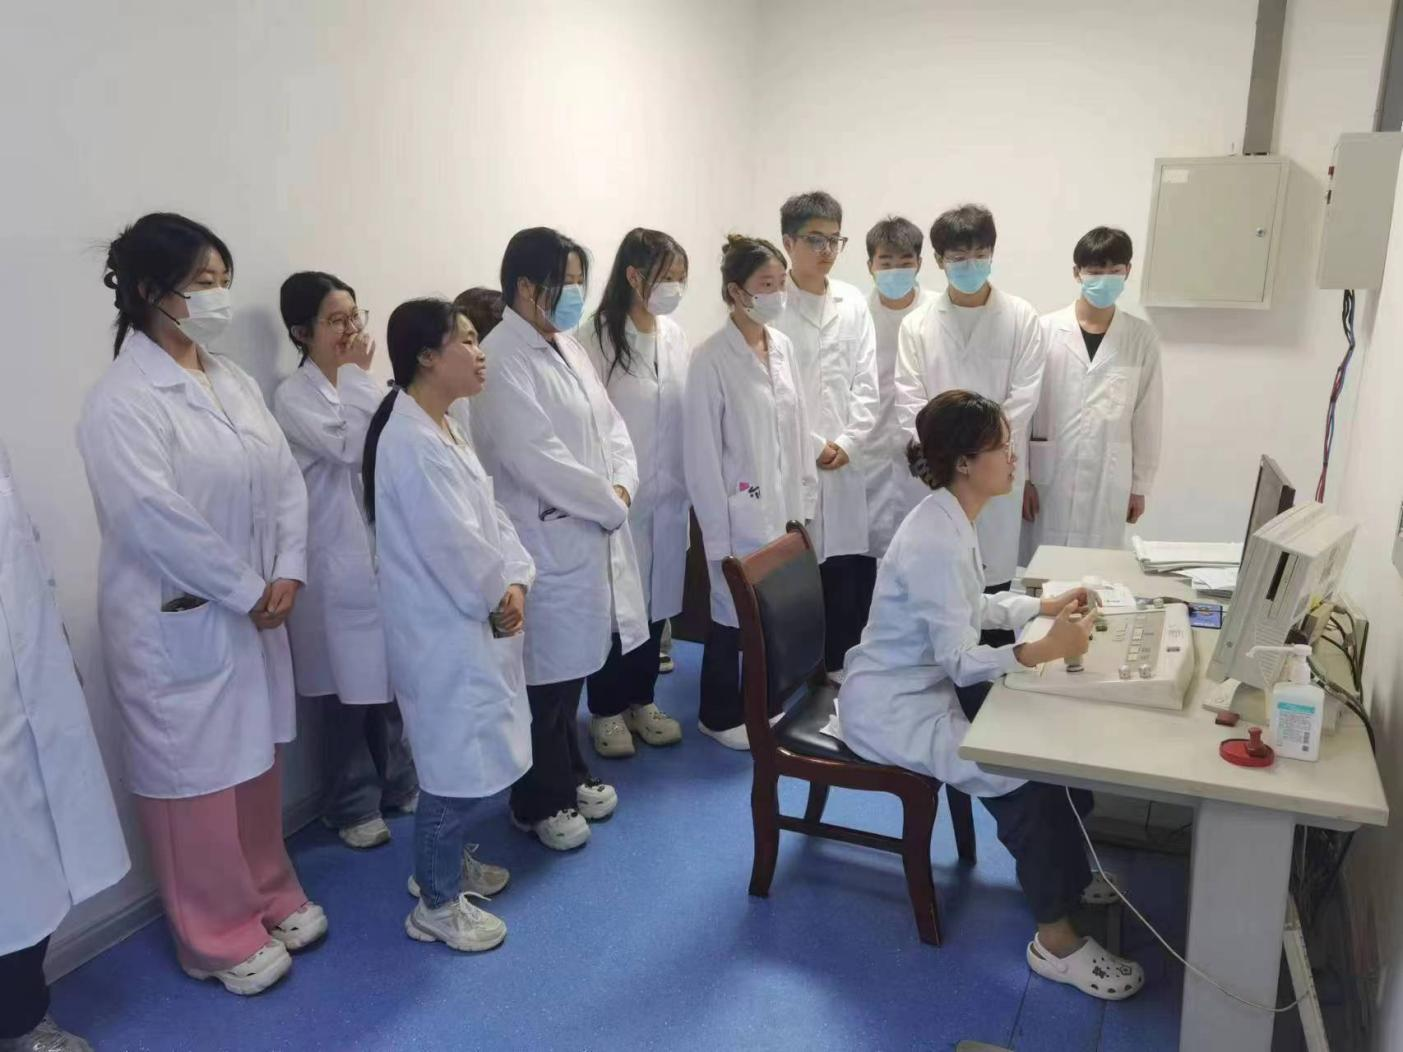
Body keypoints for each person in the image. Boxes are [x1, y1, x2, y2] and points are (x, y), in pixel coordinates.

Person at [77, 213, 324, 996]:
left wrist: (287, 569)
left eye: (223, 281)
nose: (218, 298)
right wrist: (248, 589)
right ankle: (213, 936)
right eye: (202, 284)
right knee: (196, 786)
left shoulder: (233, 382)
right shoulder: (121, 402)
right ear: (150, 291)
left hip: (253, 609)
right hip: (183, 617)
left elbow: (282, 480)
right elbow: (153, 519)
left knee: (253, 763)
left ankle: (268, 892)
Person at [830, 391, 1144, 1002]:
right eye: (1003, 446)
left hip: (924, 686)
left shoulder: (950, 515)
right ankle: (1055, 942)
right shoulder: (936, 537)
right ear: (965, 463)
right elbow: (957, 657)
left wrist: (1041, 605)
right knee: (1017, 776)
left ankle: (1069, 876)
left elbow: (970, 605)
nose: (1014, 457)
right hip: (893, 708)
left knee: (1047, 745)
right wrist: (1040, 650)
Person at [363, 297, 530, 953]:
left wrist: (515, 578)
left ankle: (448, 866)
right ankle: (434, 903)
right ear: (428, 357)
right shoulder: (411, 442)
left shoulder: (444, 427)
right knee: (448, 772)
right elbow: (454, 544)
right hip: (443, 632)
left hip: (470, 621)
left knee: (467, 755)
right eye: (466, 340)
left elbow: (491, 521)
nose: (480, 352)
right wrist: (497, 591)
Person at [470, 228, 645, 849]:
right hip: (543, 539)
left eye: (578, 280)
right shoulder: (501, 357)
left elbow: (612, 426)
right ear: (525, 285)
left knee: (570, 676)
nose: (575, 292)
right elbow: (535, 457)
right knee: (543, 682)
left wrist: (621, 485)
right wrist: (607, 502)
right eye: (565, 281)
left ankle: (569, 773)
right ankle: (536, 802)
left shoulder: (566, 346)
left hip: (587, 528)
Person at [273, 272, 418, 850]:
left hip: (377, 559)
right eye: (336, 320)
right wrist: (359, 378)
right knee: (344, 696)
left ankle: (397, 783)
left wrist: (360, 381)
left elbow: (395, 441)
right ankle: (350, 804)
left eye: (355, 316)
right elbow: (352, 448)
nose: (352, 330)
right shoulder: (293, 396)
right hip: (333, 567)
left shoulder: (363, 385)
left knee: (386, 684)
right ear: (301, 332)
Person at [1, 438, 130, 1052]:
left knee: (33, 866)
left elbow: (22, 548)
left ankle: (22, 1018)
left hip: (26, 680)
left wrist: (54, 638)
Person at [683, 235, 816, 749]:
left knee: (773, 611)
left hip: (782, 508)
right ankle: (717, 715)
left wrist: (804, 501)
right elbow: (701, 457)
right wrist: (716, 539)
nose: (777, 294)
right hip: (737, 511)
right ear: (736, 292)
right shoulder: (710, 359)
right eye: (766, 284)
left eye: (781, 283)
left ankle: (764, 704)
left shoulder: (781, 348)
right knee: (729, 616)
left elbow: (798, 430)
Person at [894, 204, 1045, 645]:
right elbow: (909, 400)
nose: (970, 265)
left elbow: (1025, 394)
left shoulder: (1021, 317)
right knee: (942, 585)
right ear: (939, 260)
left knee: (993, 582)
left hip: (996, 469)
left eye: (980, 255)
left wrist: (978, 453)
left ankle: (993, 671)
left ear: (993, 254)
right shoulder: (917, 324)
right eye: (958, 257)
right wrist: (953, 457)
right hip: (943, 473)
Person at [579, 228, 690, 757]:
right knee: (614, 610)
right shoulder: (594, 338)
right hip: (618, 499)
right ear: (633, 275)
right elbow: (587, 423)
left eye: (681, 278)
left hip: (668, 498)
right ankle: (605, 710)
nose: (675, 288)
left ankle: (642, 701)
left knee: (655, 604)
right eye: (666, 277)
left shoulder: (674, 336)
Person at [772, 192, 879, 680]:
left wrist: (848, 443)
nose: (827, 250)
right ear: (788, 241)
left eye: (835, 239)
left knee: (843, 570)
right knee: (796, 574)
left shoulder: (853, 302)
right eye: (815, 239)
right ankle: (794, 674)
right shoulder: (772, 304)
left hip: (846, 462)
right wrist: (816, 445)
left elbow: (867, 385)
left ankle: (838, 666)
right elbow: (775, 393)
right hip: (795, 461)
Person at [1024, 227, 1164, 550]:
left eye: (1114, 271)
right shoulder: (1044, 330)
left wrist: (1140, 486)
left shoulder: (1141, 338)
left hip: (1109, 479)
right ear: (1077, 273)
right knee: (1041, 565)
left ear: (1128, 271)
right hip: (1048, 480)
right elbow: (1026, 409)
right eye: (1095, 271)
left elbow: (1148, 416)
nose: (1105, 279)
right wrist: (1024, 479)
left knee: (1098, 569)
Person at [864, 216, 935, 559]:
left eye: (905, 262)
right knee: (867, 555)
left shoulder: (938, 312)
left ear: (919, 263)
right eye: (886, 262)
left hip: (926, 452)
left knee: (922, 552)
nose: (896, 270)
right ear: (870, 266)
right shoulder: (856, 314)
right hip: (870, 452)